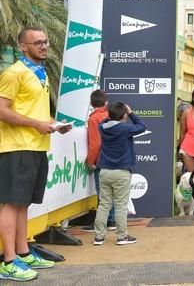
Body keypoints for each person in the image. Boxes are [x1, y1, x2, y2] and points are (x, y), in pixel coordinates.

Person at [0, 27, 72, 281]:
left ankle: (23, 252)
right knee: (11, 203)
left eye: (45, 41)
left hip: (36, 146)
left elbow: (35, 113)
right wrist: (36, 125)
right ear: (23, 46)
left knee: (23, 203)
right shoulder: (14, 73)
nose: (43, 46)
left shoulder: (39, 73)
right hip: (16, 146)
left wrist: (53, 123)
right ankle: (8, 261)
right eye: (37, 42)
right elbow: (2, 110)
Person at [93, 101, 147, 246]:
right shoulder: (125, 128)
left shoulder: (102, 127)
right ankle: (122, 237)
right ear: (123, 115)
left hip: (104, 171)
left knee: (103, 205)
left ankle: (99, 237)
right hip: (121, 172)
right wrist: (131, 113)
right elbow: (142, 126)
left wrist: (112, 114)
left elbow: (106, 121)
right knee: (120, 205)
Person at [82, 89, 116, 232]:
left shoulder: (93, 119)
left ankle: (103, 221)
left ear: (90, 103)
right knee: (111, 191)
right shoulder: (110, 116)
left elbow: (95, 143)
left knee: (102, 193)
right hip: (113, 158)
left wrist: (90, 161)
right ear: (106, 103)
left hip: (101, 160)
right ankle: (111, 220)